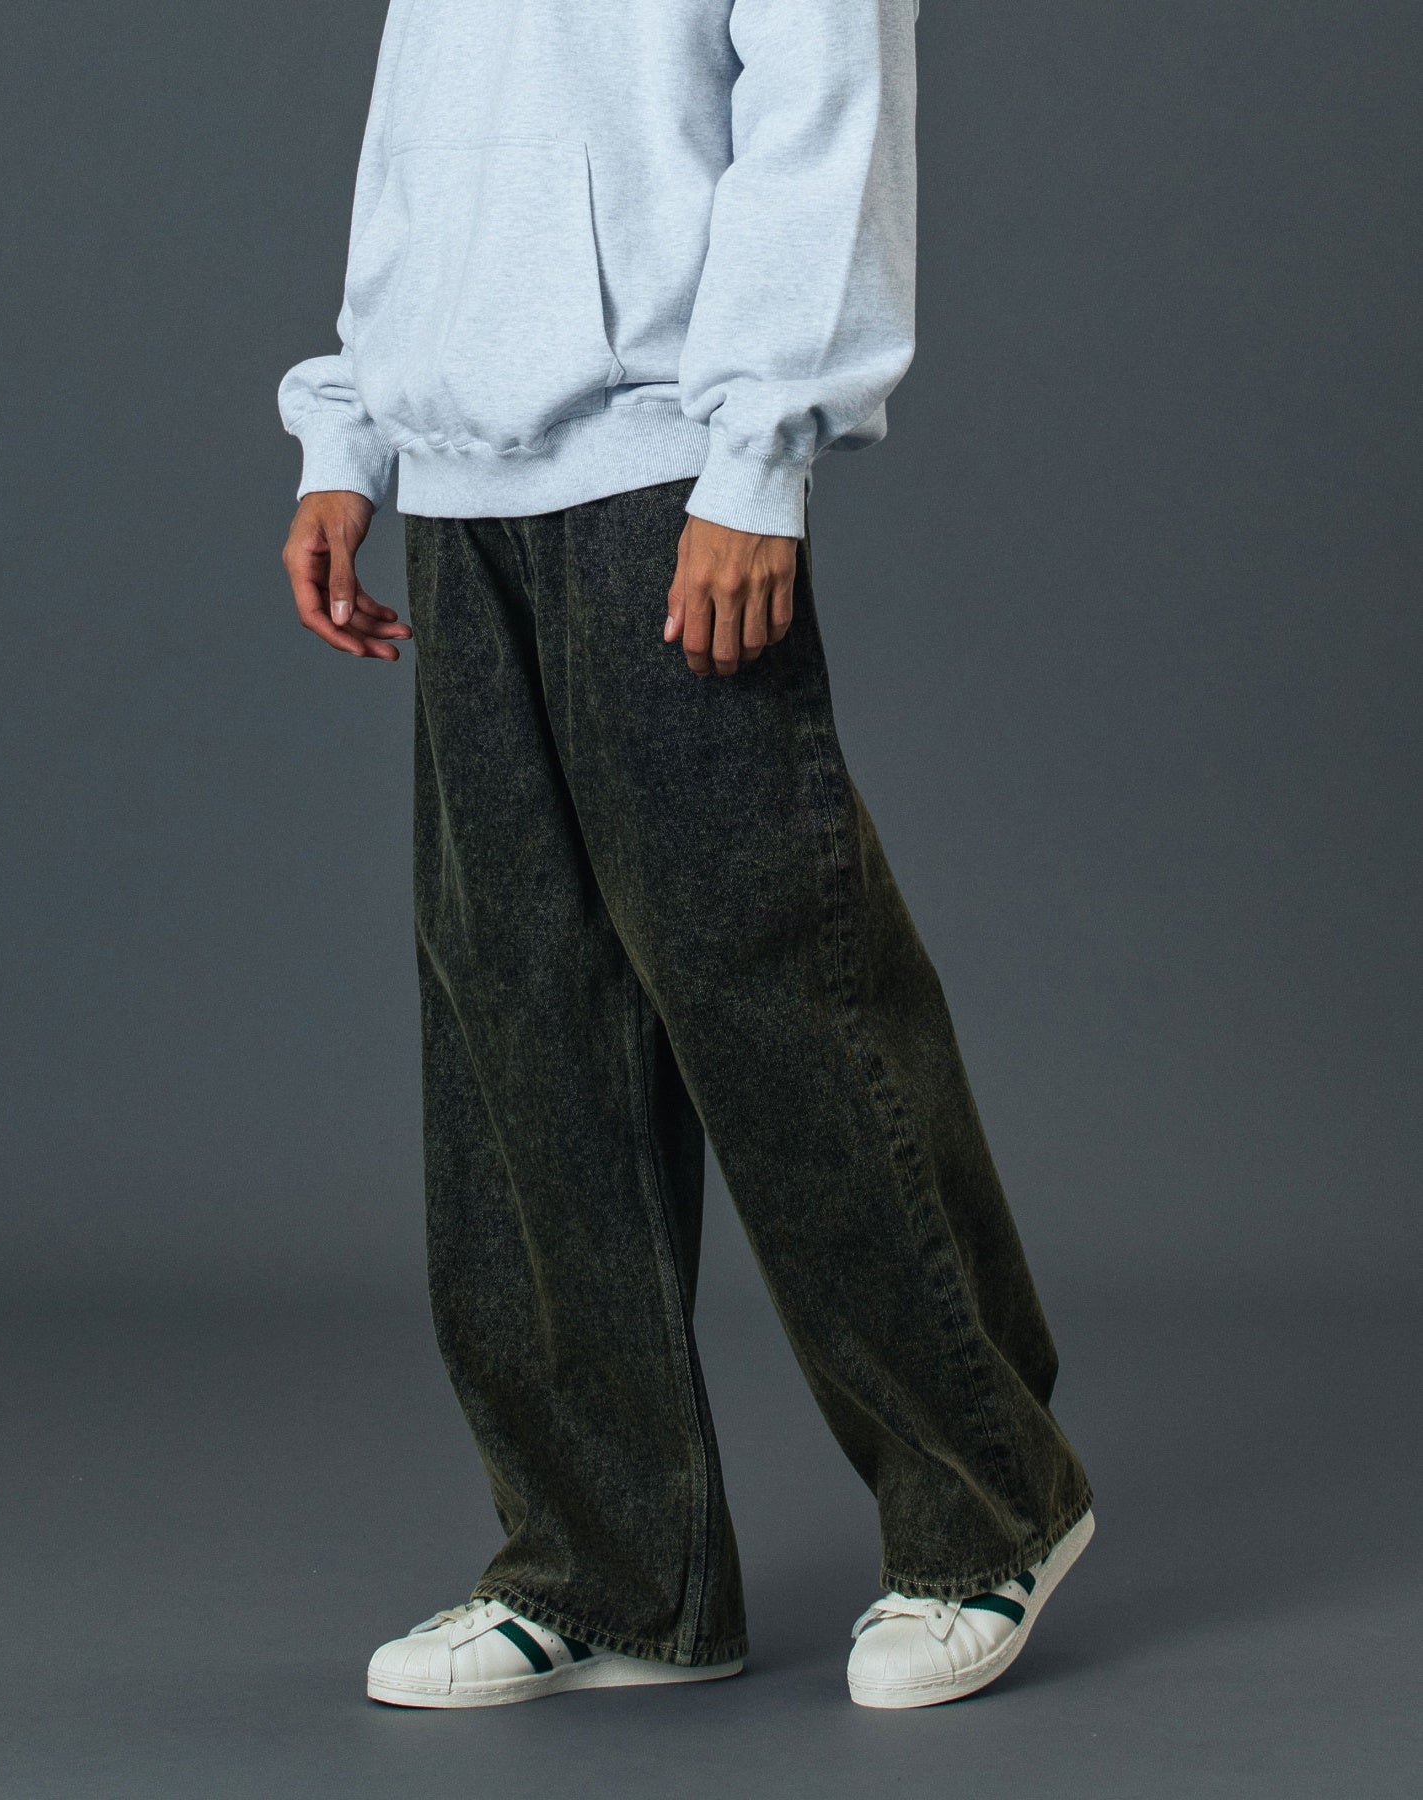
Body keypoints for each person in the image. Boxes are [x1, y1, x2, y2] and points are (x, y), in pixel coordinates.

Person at [277, 0, 1093, 1712]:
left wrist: (756, 460)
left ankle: (989, 1509)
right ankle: (612, 1572)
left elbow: (825, 118)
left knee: (779, 991)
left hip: (667, 470)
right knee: (519, 1026)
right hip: (464, 489)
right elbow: (419, 141)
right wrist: (350, 432)